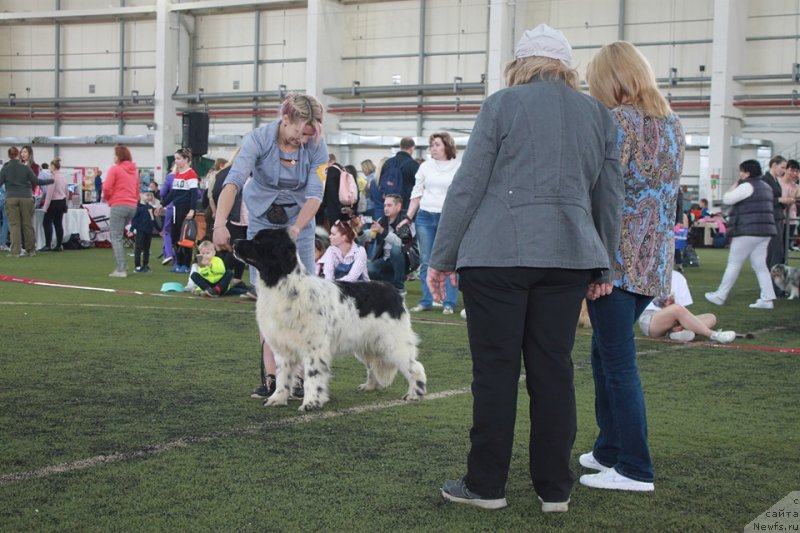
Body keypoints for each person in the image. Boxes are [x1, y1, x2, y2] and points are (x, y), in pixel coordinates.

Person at [429, 25, 623, 512]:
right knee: (553, 372)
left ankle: (486, 486)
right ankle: (554, 489)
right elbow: (609, 196)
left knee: (495, 373)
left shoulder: (501, 105)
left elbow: (468, 186)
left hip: (496, 257)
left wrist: (442, 257)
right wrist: (606, 265)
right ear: (566, 66)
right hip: (569, 257)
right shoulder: (598, 115)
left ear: (520, 64)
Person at [579, 40, 685, 493]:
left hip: (616, 262)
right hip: (653, 261)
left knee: (617, 364)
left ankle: (636, 467)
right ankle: (609, 449)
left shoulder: (616, 121)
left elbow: (603, 194)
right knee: (605, 356)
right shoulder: (673, 122)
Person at [212, 92, 328, 400]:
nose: (303, 139)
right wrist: (219, 224)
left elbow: (316, 195)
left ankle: (301, 378)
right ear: (285, 119)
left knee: (301, 299)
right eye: (299, 131)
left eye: (310, 133)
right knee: (266, 299)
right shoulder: (259, 139)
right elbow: (234, 181)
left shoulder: (316, 144)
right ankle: (272, 377)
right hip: (262, 220)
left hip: (299, 223)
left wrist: (297, 228)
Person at [705, 160, 777, 309]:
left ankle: (720, 295)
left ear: (748, 173)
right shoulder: (766, 186)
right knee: (760, 265)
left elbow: (727, 199)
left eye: (742, 171)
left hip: (747, 231)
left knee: (734, 263)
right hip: (765, 231)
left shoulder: (747, 186)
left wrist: (736, 183)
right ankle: (767, 299)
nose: (740, 174)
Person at [402, 132, 460, 314]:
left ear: (447, 146)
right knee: (426, 261)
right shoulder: (425, 167)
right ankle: (426, 300)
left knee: (448, 260)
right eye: (431, 145)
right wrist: (408, 217)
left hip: (448, 218)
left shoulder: (458, 166)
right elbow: (416, 193)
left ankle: (449, 302)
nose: (433, 148)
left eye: (436, 145)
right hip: (425, 217)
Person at [639, 270, 735, 343]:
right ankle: (713, 335)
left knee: (711, 317)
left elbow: (683, 310)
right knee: (676, 308)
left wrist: (679, 324)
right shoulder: (647, 275)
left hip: (674, 321)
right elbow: (678, 309)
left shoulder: (679, 277)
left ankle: (676, 333)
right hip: (651, 321)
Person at [0, 146, 54, 257]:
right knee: (27, 224)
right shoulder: (25, 168)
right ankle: (31, 250)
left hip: (11, 198)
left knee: (14, 225)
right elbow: (36, 181)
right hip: (26, 197)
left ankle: (15, 251)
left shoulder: (5, 168)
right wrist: (51, 180)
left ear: (9, 155)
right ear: (18, 155)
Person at [103, 145, 139, 276]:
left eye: (115, 154)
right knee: (119, 235)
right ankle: (122, 265)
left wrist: (108, 199)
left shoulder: (115, 169)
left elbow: (106, 187)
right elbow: (136, 190)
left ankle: (121, 268)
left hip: (119, 204)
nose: (113, 157)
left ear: (119, 156)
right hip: (132, 206)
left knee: (116, 237)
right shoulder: (134, 171)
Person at [162, 148, 199, 273]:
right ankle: (179, 263)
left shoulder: (191, 174)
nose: (176, 161)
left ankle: (186, 264)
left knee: (185, 238)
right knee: (176, 237)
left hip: (185, 210)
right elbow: (174, 193)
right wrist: (163, 203)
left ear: (186, 160)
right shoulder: (178, 174)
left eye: (178, 158)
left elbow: (194, 194)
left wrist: (192, 210)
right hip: (176, 210)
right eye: (175, 159)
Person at [366, 193, 411, 293]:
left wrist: (382, 231)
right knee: (368, 269)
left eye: (389, 205)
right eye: (385, 205)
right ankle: (389, 282)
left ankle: (399, 287)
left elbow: (401, 243)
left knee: (395, 249)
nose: (386, 208)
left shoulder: (405, 220)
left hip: (404, 261)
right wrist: (358, 230)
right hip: (385, 260)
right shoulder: (382, 219)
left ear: (398, 206)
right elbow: (369, 236)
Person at [762, 156, 787, 269]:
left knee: (773, 252)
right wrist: (780, 200)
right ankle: (773, 281)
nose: (784, 170)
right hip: (770, 219)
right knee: (777, 251)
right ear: (774, 165)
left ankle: (769, 281)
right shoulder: (765, 180)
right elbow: (763, 199)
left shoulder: (775, 180)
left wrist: (784, 202)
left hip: (777, 218)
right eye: (782, 167)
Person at [382, 137, 420, 210]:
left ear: (400, 147)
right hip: (406, 205)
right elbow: (419, 185)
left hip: (389, 204)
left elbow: (382, 181)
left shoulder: (388, 162)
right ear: (412, 148)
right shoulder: (413, 164)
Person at [40, 157, 68, 252]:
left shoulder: (53, 177)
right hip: (62, 201)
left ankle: (48, 244)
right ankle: (59, 245)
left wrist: (45, 207)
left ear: (53, 166)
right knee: (58, 223)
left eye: (50, 166)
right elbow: (66, 191)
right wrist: (66, 203)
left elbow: (49, 194)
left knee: (46, 222)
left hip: (54, 202)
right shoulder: (63, 176)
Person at [131, 190, 161, 273]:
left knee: (147, 249)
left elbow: (153, 220)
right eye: (147, 195)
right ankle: (137, 266)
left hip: (149, 231)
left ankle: (145, 265)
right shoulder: (137, 207)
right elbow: (134, 220)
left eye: (150, 195)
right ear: (141, 195)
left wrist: (159, 230)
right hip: (140, 231)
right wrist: (132, 229)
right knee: (138, 248)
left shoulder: (150, 208)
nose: (149, 197)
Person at [159, 167, 176, 266]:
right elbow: (198, 194)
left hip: (171, 207)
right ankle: (179, 261)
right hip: (184, 208)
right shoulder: (190, 175)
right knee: (179, 234)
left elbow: (162, 193)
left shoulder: (170, 178)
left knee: (167, 232)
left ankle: (169, 253)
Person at [781, 159, 799, 251]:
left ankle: (783, 264)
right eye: (792, 170)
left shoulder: (796, 186)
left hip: (791, 218)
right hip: (779, 218)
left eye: (796, 171)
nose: (794, 173)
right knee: (777, 245)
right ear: (785, 169)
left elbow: (795, 197)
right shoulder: (778, 182)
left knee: (785, 246)